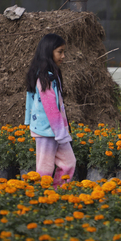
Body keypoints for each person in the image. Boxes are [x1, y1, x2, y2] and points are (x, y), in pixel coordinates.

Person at [24, 33, 76, 188]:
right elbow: (51, 108)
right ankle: (41, 200)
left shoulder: (52, 75)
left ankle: (56, 192)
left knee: (69, 163)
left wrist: (63, 131)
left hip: (57, 131)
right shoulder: (44, 77)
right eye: (60, 52)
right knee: (44, 170)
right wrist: (61, 133)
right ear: (48, 52)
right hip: (46, 131)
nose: (63, 56)